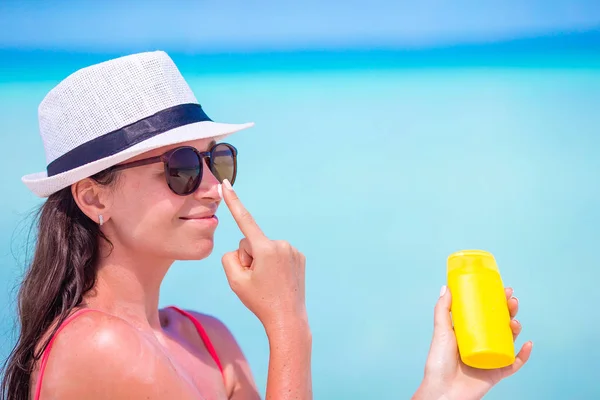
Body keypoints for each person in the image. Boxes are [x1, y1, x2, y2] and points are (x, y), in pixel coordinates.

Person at [1, 51, 531, 400]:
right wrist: (287, 323)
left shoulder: (206, 337)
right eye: (181, 168)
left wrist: (444, 389)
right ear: (94, 196)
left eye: (219, 159)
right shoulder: (96, 347)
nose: (212, 185)